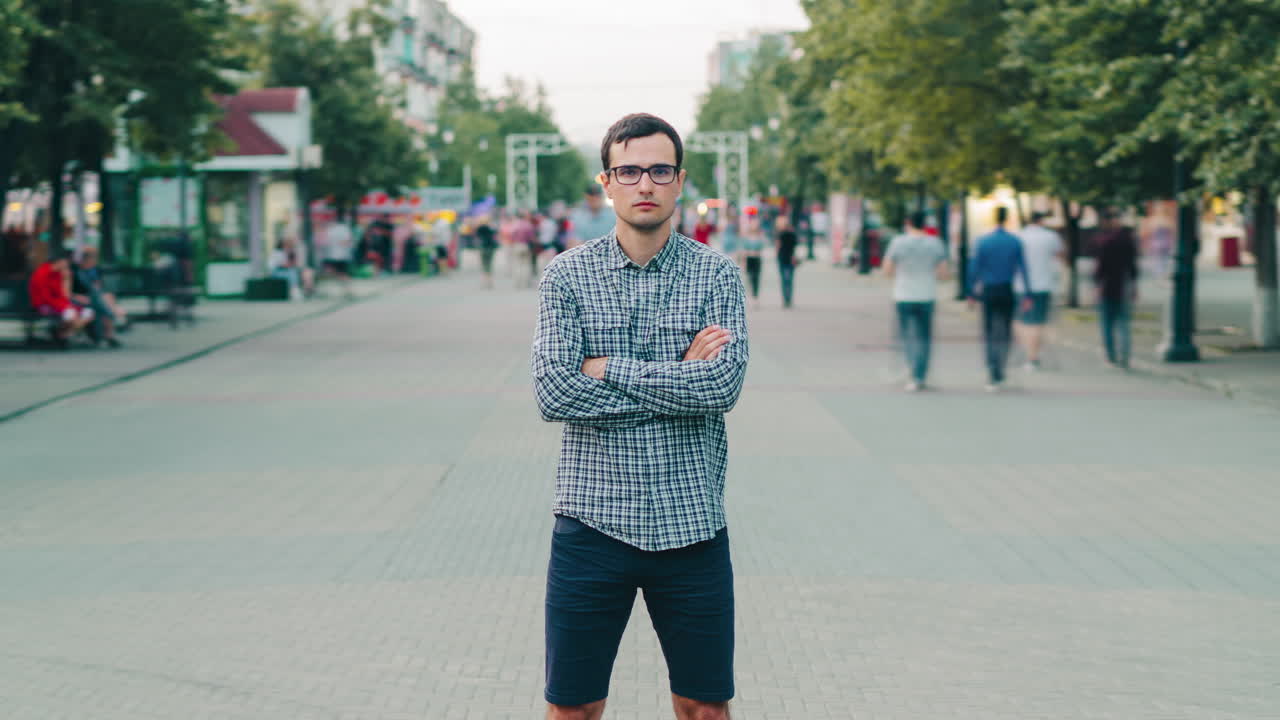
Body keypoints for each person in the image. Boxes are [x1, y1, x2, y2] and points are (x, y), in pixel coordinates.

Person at [531, 113, 748, 720]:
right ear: (607, 181)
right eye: (629, 170)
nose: (644, 183)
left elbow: (723, 386)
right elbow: (553, 393)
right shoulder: (567, 277)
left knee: (704, 708)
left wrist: (606, 368)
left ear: (680, 181)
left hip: (692, 526)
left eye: (658, 169)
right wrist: (680, 375)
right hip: (591, 525)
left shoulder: (717, 275)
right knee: (572, 710)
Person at [882, 211, 949, 391]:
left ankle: (912, 371)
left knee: (907, 335)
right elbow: (943, 274)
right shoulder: (935, 243)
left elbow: (887, 270)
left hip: (903, 294)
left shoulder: (898, 242)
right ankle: (920, 375)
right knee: (924, 336)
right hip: (926, 294)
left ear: (908, 223)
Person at [969, 206, 1032, 391]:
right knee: (1005, 331)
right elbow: (1023, 268)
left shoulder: (983, 241)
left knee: (989, 331)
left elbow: (974, 268)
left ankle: (992, 370)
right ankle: (1001, 369)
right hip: (1007, 289)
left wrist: (971, 292)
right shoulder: (1015, 241)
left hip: (989, 290)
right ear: (1008, 218)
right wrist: (1028, 293)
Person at [1015, 211, 1065, 370]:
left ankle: (1029, 352)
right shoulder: (1051, 237)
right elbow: (1061, 256)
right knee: (1038, 323)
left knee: (1022, 321)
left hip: (1021, 286)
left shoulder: (1019, 237)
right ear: (1041, 221)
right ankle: (1033, 356)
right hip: (1044, 285)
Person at [1093, 208, 1140, 369]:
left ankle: (1111, 355)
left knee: (1107, 323)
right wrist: (1134, 286)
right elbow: (1133, 266)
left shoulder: (1104, 240)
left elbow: (1100, 267)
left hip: (1108, 286)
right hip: (1123, 286)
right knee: (1123, 323)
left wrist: (1097, 285)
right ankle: (1124, 356)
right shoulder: (1127, 239)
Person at [28, 255, 93, 345]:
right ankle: (62, 334)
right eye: (65, 264)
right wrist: (65, 306)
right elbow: (46, 298)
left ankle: (62, 334)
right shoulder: (42, 273)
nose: (67, 266)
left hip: (59, 303)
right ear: (59, 262)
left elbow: (64, 295)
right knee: (71, 314)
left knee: (88, 313)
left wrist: (67, 279)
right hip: (43, 304)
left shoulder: (58, 274)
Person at [70, 246, 125, 347]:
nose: (94, 260)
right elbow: (70, 292)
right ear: (84, 260)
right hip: (81, 299)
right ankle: (113, 313)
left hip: (93, 299)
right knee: (102, 303)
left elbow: (99, 288)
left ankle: (109, 332)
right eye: (92, 257)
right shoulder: (75, 272)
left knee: (104, 298)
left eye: (95, 257)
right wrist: (77, 296)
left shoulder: (94, 270)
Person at [567, 184, 617, 248]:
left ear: (602, 197)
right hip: (585, 253)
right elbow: (573, 240)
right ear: (586, 196)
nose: (594, 198)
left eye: (597, 195)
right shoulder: (577, 216)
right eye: (592, 195)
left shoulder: (613, 216)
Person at [740, 208, 765, 307]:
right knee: (750, 278)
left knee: (756, 278)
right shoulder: (746, 237)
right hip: (749, 258)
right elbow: (744, 251)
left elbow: (762, 247)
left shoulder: (760, 237)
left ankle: (755, 296)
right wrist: (744, 262)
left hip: (757, 258)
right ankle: (751, 296)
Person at [775, 215, 800, 308]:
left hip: (783, 258)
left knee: (784, 280)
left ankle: (786, 299)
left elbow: (778, 247)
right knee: (789, 280)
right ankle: (788, 299)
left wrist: (776, 255)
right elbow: (795, 246)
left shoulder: (780, 234)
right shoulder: (792, 234)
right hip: (790, 258)